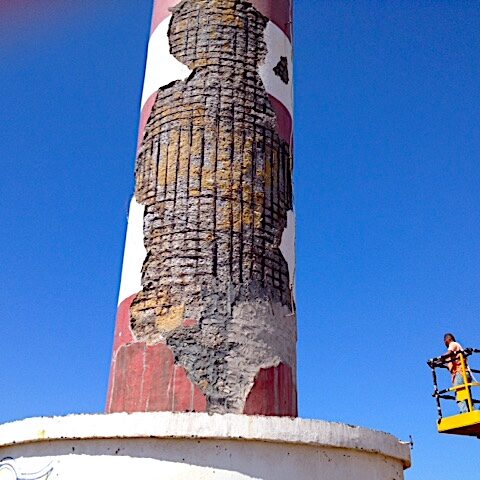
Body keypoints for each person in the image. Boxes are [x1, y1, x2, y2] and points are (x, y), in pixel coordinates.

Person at [444, 333, 472, 413]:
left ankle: (464, 412)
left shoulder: (453, 344)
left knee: (459, 393)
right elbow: (450, 364)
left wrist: (439, 359)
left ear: (448, 340)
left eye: (445, 341)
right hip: (464, 373)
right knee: (466, 393)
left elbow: (448, 353)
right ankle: (470, 409)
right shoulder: (456, 352)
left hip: (460, 373)